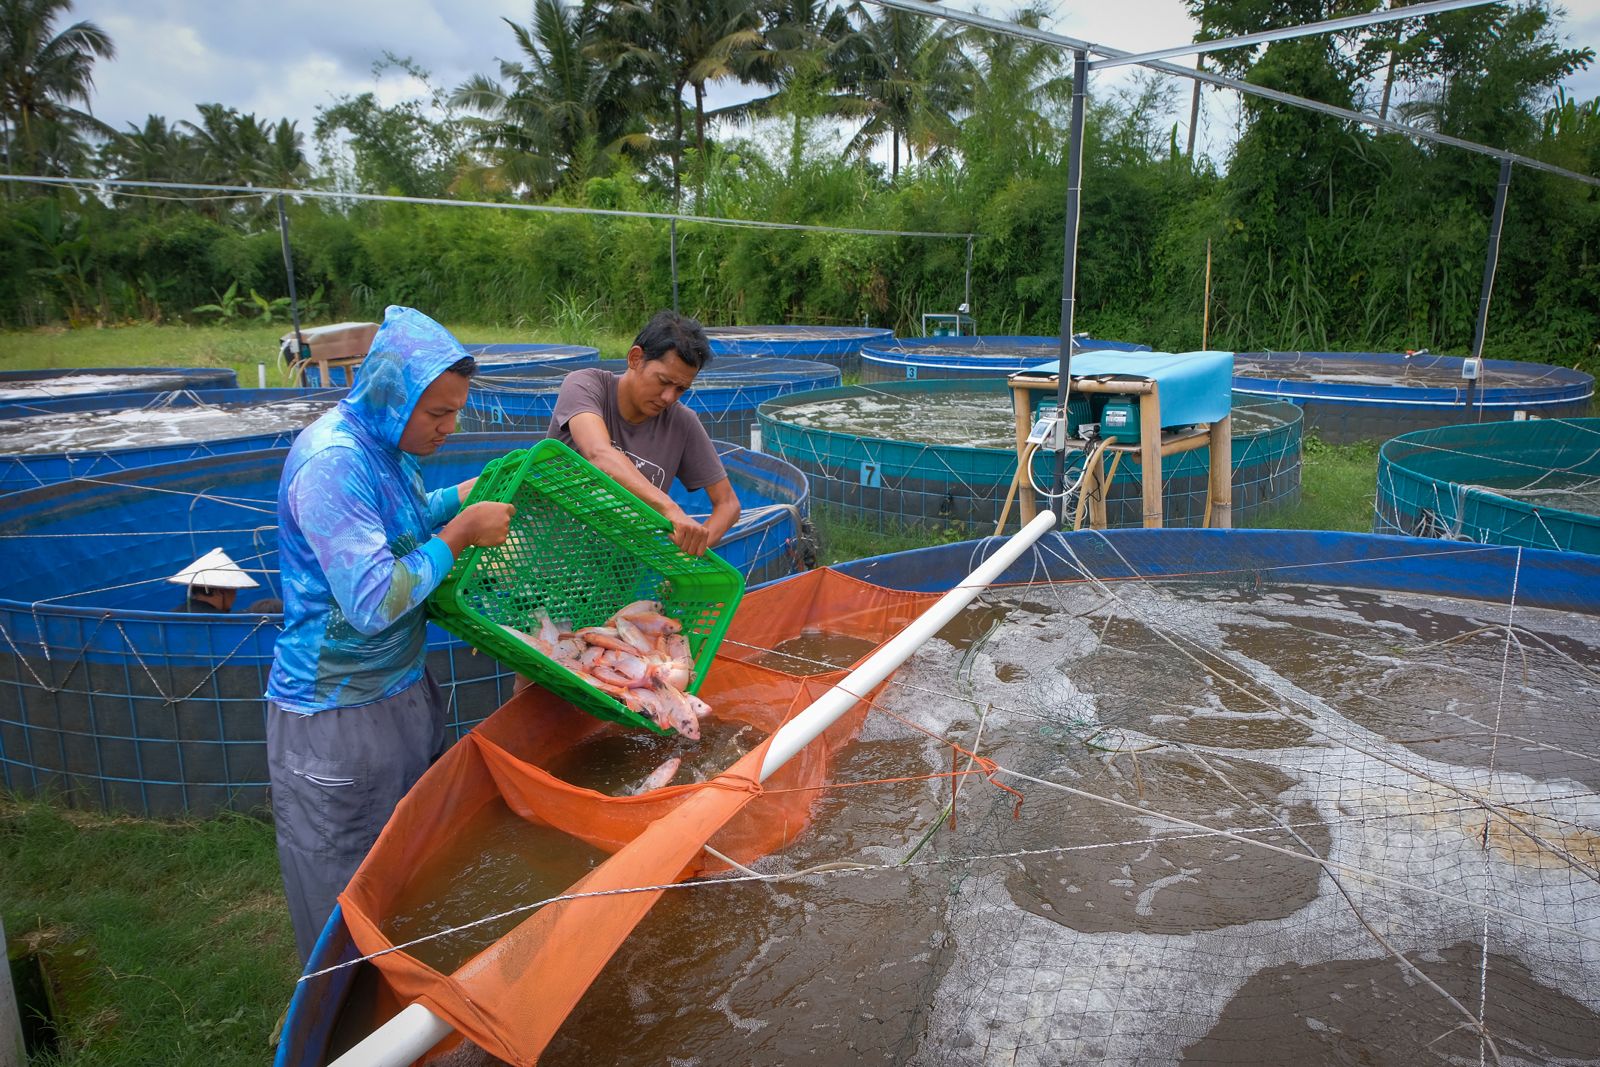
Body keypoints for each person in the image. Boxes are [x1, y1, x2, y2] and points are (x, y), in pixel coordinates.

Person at [264, 305, 515, 963]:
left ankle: (408, 992)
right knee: (344, 880)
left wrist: (462, 495)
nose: (449, 427)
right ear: (390, 393)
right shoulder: (332, 464)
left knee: (410, 859)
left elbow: (401, 528)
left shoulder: (388, 446)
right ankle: (343, 1027)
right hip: (337, 719)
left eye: (456, 411)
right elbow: (375, 598)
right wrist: (460, 536)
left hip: (401, 688)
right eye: (437, 413)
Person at [547, 310, 740, 554]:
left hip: (621, 573)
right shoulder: (585, 386)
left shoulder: (682, 423)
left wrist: (684, 557)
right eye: (663, 381)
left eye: (681, 389)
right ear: (636, 358)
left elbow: (728, 504)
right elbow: (599, 454)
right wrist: (670, 509)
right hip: (549, 555)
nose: (669, 397)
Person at [168, 547, 258, 612]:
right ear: (220, 591)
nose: (235, 596)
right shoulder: (225, 622)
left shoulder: (172, 614)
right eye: (234, 590)